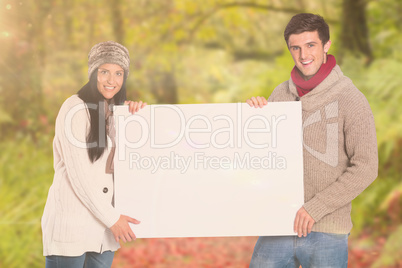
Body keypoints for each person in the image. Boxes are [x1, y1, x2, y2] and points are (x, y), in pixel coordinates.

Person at [247, 13, 378, 267]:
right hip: (278, 225)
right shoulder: (279, 95)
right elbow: (263, 157)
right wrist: (252, 116)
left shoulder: (351, 99)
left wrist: (315, 208)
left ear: (326, 45)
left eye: (310, 45)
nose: (303, 55)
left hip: (327, 230)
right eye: (295, 48)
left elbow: (366, 167)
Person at [41, 41, 147, 267]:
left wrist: (133, 118)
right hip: (72, 227)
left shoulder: (116, 112)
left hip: (103, 234)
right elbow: (79, 175)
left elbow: (129, 162)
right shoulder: (74, 108)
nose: (112, 80)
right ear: (93, 73)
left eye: (119, 73)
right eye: (104, 71)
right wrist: (113, 219)